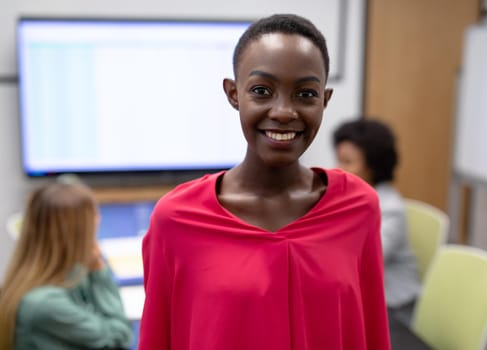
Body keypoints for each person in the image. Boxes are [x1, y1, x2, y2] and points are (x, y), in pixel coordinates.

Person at [140, 14, 390, 350]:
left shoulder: (357, 207)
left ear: (325, 100)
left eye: (305, 94)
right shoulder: (177, 218)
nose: (285, 111)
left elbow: (371, 332)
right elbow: (158, 338)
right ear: (233, 94)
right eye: (261, 91)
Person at [0, 181, 134, 350]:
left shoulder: (50, 280)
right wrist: (98, 268)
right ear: (77, 234)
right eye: (93, 220)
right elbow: (119, 338)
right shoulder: (44, 304)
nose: (98, 221)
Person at [332, 118, 421, 312]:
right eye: (339, 159)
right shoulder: (346, 197)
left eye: (348, 162)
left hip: (395, 306)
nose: (339, 169)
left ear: (373, 166)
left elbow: (361, 261)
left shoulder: (390, 210)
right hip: (359, 298)